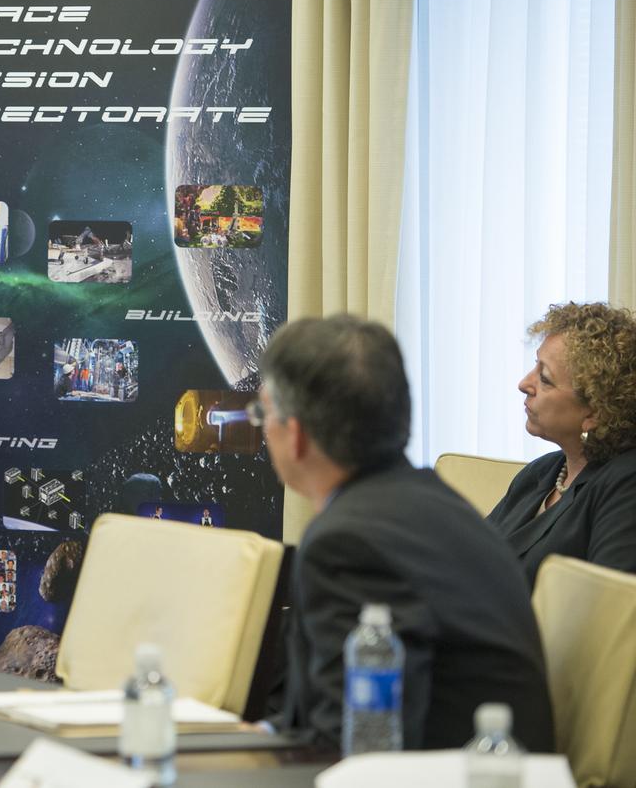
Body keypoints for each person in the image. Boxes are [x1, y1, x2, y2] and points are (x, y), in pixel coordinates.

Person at [254, 314, 554, 752]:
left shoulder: (349, 543)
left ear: (295, 436)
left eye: (263, 412)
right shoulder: (427, 501)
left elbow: (351, 750)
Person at [487, 302, 636, 584]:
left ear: (594, 412)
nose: (524, 384)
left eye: (545, 379)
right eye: (535, 366)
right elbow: (467, 557)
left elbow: (607, 609)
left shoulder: (626, 484)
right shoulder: (540, 472)